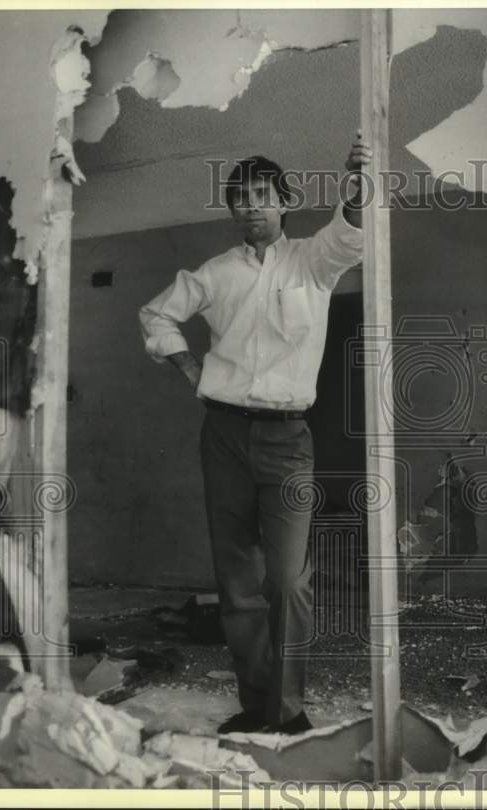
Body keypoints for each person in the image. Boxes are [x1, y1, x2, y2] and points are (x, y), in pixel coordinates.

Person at [139, 134, 371, 734]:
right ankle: (256, 703)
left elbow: (351, 232)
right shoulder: (216, 274)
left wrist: (356, 183)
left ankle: (287, 713)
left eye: (263, 197)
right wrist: (189, 367)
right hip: (222, 435)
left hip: (288, 440)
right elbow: (155, 313)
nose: (251, 208)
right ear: (232, 209)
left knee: (289, 580)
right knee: (237, 579)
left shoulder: (312, 262)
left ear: (285, 203)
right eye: (240, 199)